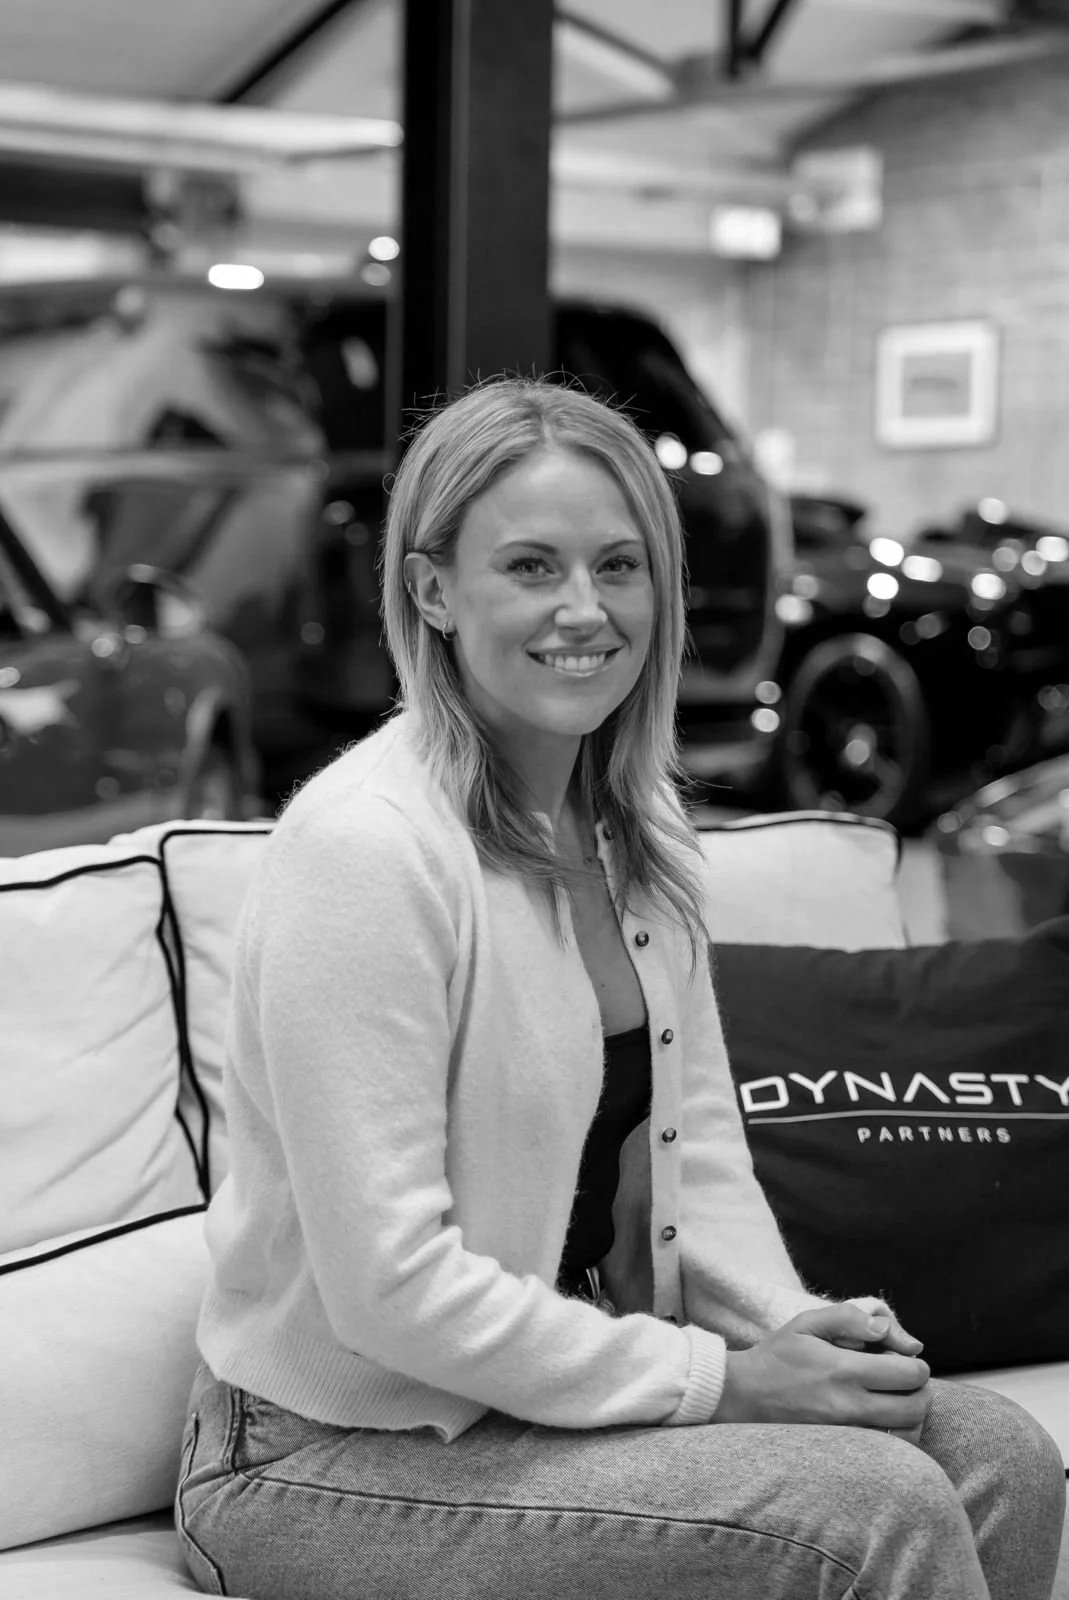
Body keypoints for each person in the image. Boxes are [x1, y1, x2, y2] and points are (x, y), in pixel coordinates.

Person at [176, 377, 1065, 1600]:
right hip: (323, 1452)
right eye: (530, 567)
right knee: (878, 1507)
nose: (585, 610)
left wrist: (790, 1333)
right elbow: (389, 1289)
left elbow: (700, 1158)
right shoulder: (367, 849)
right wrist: (724, 1382)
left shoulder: (633, 837)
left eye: (619, 565)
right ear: (432, 592)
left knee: (998, 1454)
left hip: (550, 1396)